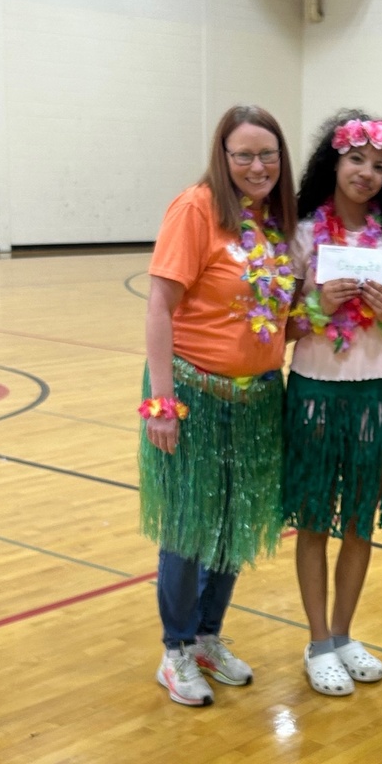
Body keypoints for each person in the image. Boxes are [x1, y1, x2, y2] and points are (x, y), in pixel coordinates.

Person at [138, 104, 297, 706]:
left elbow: (277, 311)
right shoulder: (197, 208)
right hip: (193, 394)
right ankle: (175, 649)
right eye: (244, 155)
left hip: (257, 399)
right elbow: (158, 306)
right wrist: (162, 402)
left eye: (268, 155)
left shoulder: (276, 219)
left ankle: (207, 635)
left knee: (235, 521)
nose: (257, 166)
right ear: (222, 157)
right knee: (187, 525)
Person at [285, 111, 382, 696]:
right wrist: (316, 304)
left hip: (377, 392)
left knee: (360, 519)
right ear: (334, 162)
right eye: (357, 160)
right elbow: (281, 327)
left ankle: (343, 633)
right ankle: (317, 641)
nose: (366, 173)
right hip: (314, 388)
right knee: (314, 518)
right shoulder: (302, 233)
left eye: (379, 166)